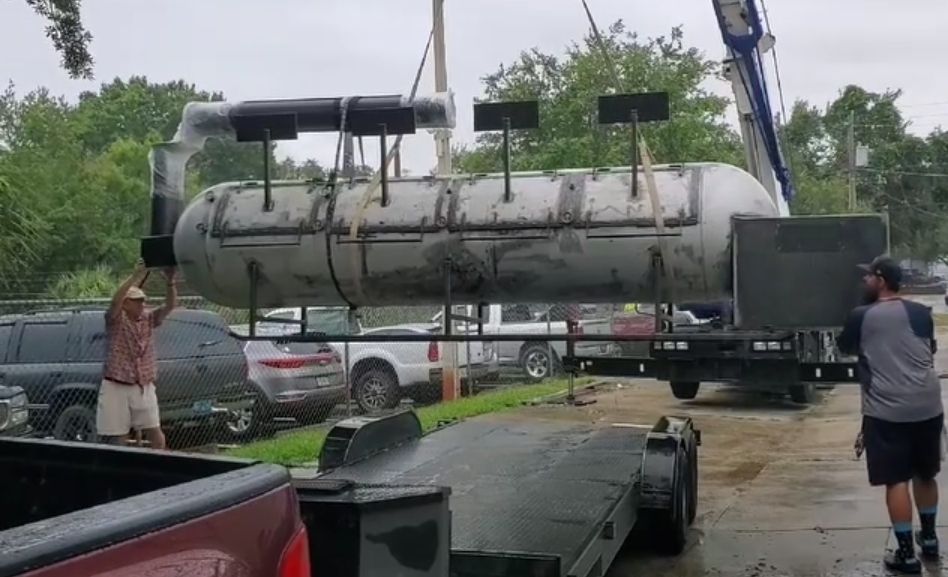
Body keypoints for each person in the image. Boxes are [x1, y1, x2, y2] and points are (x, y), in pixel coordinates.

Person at [838, 255, 943, 574]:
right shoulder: (922, 313)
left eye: (868, 277)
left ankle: (907, 555)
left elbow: (846, 348)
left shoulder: (861, 315)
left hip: (887, 411)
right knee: (925, 473)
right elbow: (929, 351)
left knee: (897, 480)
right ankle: (929, 540)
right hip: (928, 406)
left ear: (881, 280)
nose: (863, 282)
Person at [96, 259, 178, 449]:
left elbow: (170, 305)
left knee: (155, 431)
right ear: (125, 304)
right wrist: (135, 276)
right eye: (137, 301)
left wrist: (170, 281)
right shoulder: (115, 320)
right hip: (116, 384)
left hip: (143, 385)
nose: (142, 304)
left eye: (143, 300)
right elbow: (114, 302)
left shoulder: (148, 319)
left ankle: (161, 465)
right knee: (119, 437)